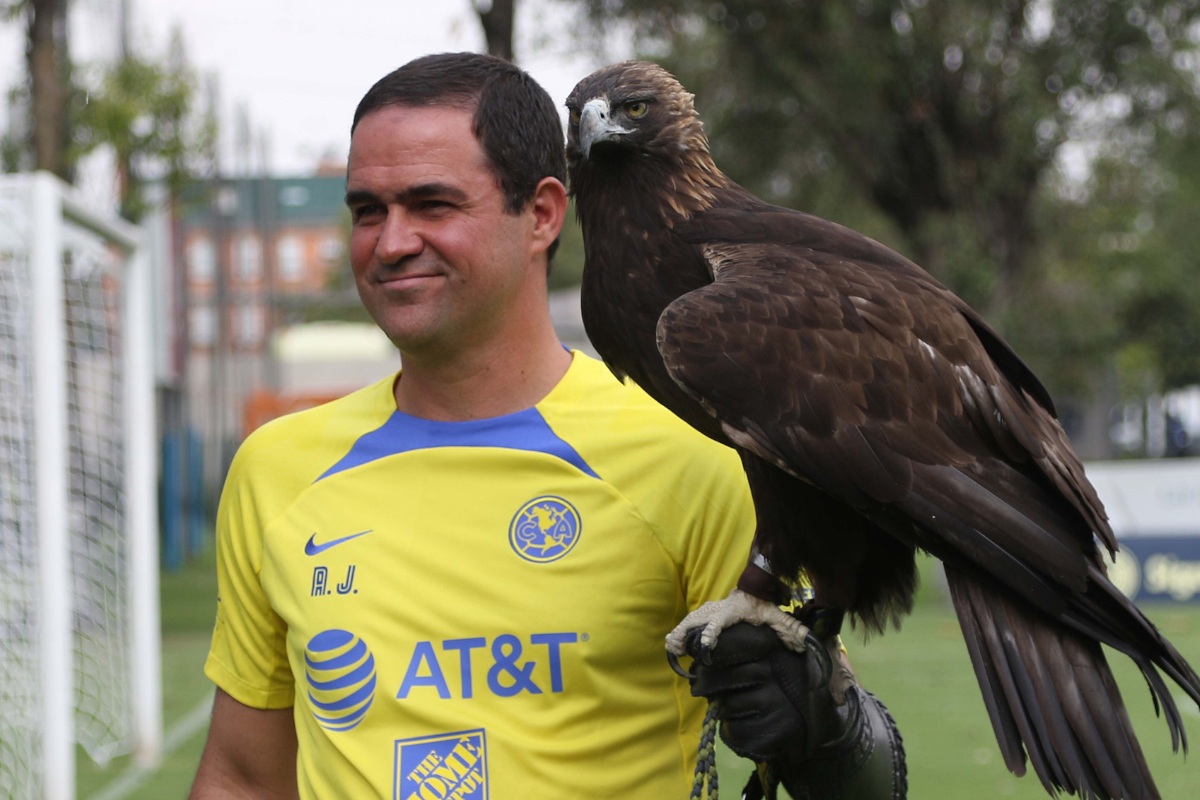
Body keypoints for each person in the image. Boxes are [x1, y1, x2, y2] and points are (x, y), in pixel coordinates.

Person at [188, 52, 903, 800]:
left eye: (432, 205)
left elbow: (871, 782)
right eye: (369, 210)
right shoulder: (278, 469)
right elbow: (242, 776)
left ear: (541, 214)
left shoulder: (696, 456)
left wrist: (827, 730)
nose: (391, 241)